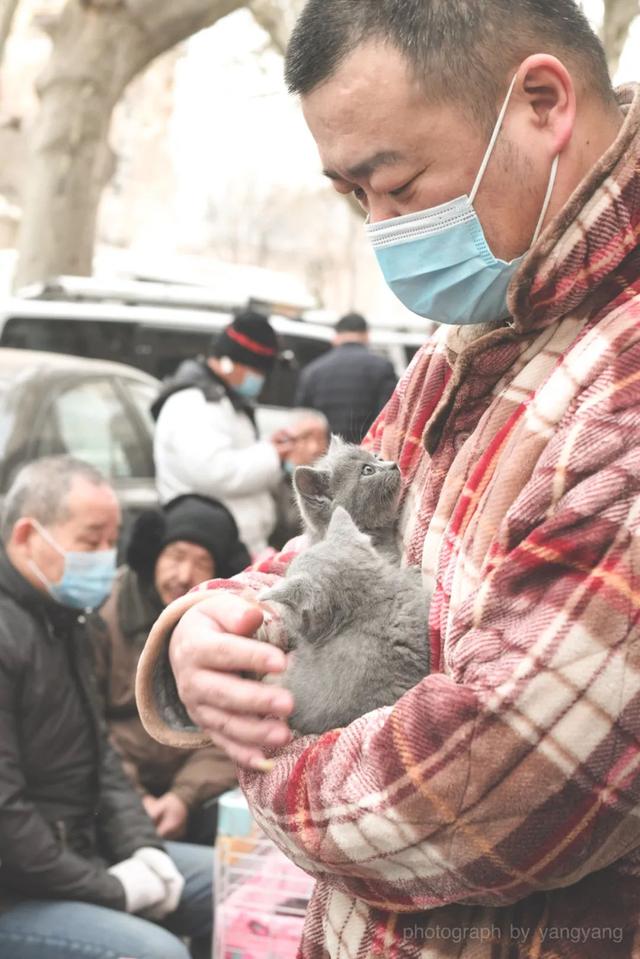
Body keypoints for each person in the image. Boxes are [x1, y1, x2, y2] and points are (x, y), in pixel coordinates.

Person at [136, 1, 640, 957]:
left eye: (397, 183)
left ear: (541, 103)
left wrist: (251, 743)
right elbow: (350, 537)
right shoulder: (496, 304)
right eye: (349, 195)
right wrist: (210, 630)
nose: (382, 228)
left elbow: (493, 790)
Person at [0, 457, 213, 959]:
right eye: (90, 540)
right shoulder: (13, 633)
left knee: (229, 886)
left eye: (111, 541)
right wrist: (111, 890)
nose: (104, 557)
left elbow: (100, 754)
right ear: (29, 535)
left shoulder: (64, 618)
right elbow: (6, 817)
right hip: (18, 889)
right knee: (156, 952)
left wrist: (143, 848)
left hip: (81, 847)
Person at [91, 495, 245, 847]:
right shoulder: (104, 613)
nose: (183, 575)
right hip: (115, 790)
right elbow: (86, 727)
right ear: (153, 555)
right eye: (175, 556)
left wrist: (182, 798)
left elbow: (230, 733)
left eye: (201, 562)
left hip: (196, 788)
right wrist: (134, 800)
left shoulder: (229, 624)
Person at [152, 310, 293, 557]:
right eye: (256, 371)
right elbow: (216, 472)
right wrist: (274, 455)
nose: (258, 380)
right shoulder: (195, 404)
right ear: (230, 361)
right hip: (210, 549)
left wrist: (270, 448)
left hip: (237, 546)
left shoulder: (225, 401)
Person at [296, 312, 397, 443]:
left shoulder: (313, 371)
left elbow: (302, 418)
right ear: (366, 335)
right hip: (363, 455)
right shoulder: (382, 368)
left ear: (336, 336)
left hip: (325, 454)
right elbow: (388, 417)